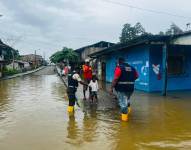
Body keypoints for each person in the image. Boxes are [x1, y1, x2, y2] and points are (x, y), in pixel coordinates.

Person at [110, 57, 138, 122]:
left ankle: (124, 122)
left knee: (123, 104)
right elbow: (137, 76)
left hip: (121, 88)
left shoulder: (119, 68)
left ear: (119, 62)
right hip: (130, 88)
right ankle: (129, 114)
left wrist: (111, 88)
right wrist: (130, 81)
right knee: (127, 100)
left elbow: (115, 79)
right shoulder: (132, 68)